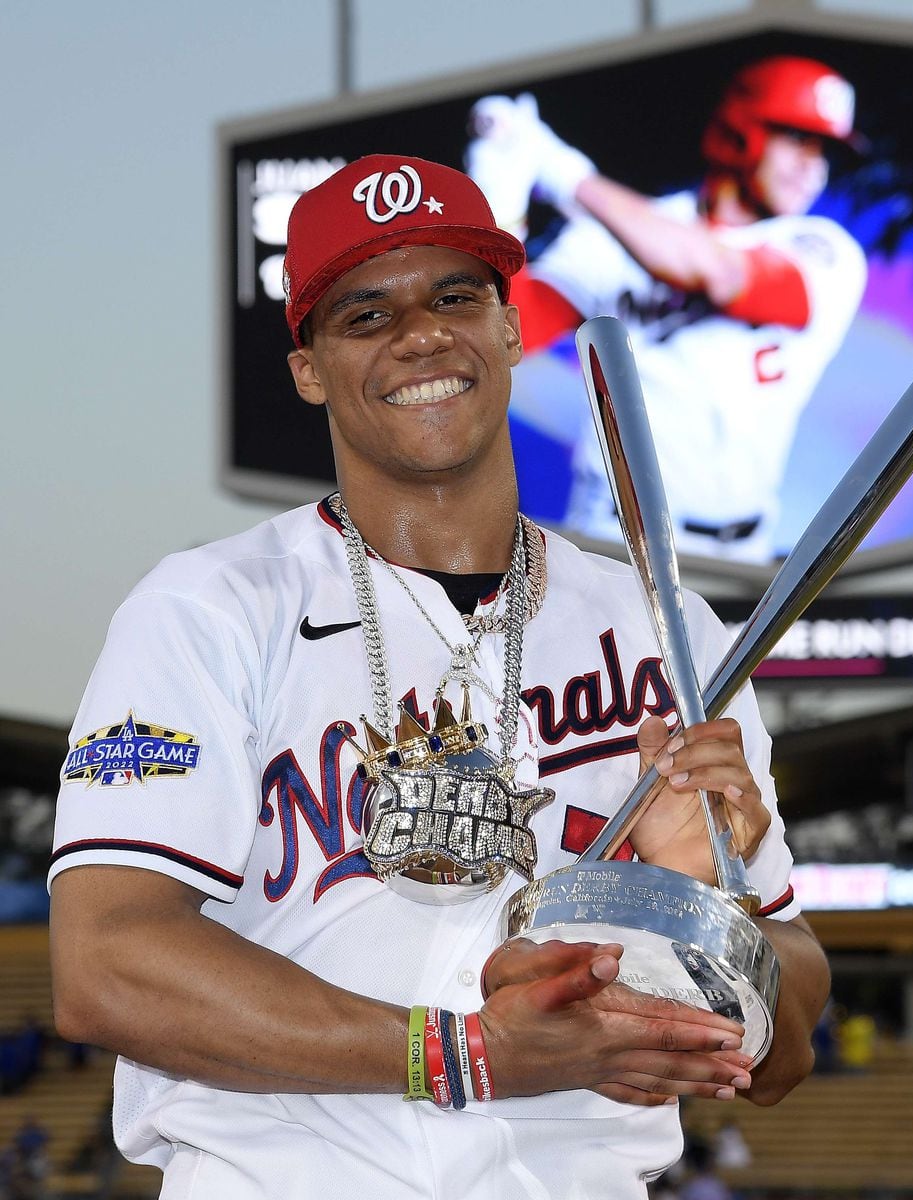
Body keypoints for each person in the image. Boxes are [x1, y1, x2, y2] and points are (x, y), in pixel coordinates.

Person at [48, 154, 830, 1199]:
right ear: (309, 370)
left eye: (455, 296)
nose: (422, 334)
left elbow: (784, 1048)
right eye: (365, 315)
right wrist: (464, 1054)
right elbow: (106, 964)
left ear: (510, 328)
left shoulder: (668, 633)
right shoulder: (210, 609)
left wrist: (709, 899)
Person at [465, 56, 868, 563]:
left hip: (743, 553)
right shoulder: (614, 237)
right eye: (796, 139)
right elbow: (502, 339)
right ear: (740, 132)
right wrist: (496, 206)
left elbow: (721, 274)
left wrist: (562, 171)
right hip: (615, 540)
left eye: (825, 150)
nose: (813, 165)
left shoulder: (822, 249)